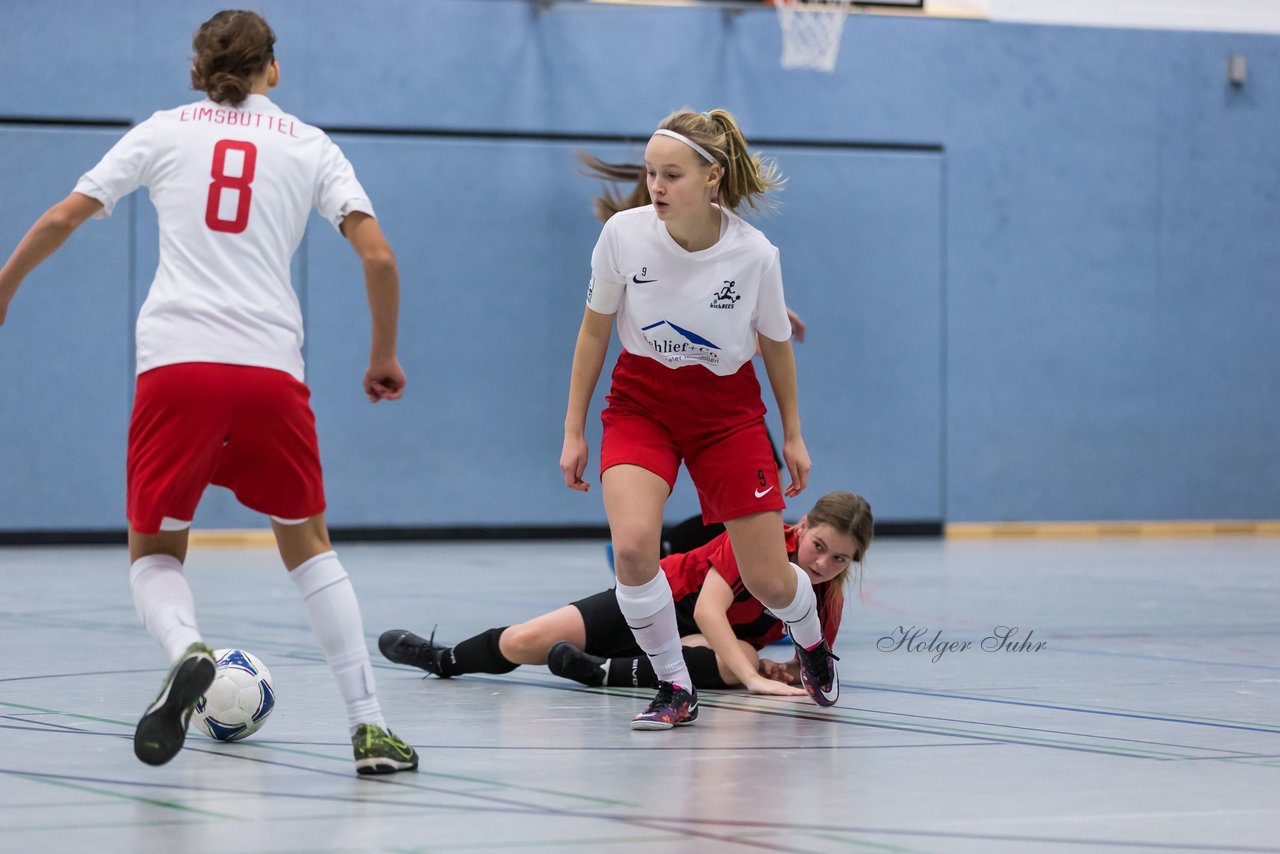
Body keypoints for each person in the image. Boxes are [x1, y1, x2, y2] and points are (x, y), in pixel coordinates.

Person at [0, 10, 417, 775]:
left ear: (198, 69)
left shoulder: (162, 130)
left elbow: (64, 215)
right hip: (270, 373)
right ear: (274, 69)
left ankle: (187, 648)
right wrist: (382, 354)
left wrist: (2, 292)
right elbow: (380, 256)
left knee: (155, 549)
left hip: (177, 367)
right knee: (309, 546)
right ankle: (370, 729)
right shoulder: (310, 144)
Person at [558, 107, 839, 730]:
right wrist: (575, 428)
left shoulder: (755, 254)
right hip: (641, 402)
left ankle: (814, 645)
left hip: (727, 414)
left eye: (672, 175)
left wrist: (792, 433)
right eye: (651, 174)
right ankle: (674, 685)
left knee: (768, 579)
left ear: (712, 177)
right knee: (633, 549)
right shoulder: (623, 237)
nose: (656, 187)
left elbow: (774, 345)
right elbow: (593, 332)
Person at [379, 492, 871, 696]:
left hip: (703, 643)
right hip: (660, 601)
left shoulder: (828, 600)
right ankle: (445, 661)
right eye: (819, 546)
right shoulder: (758, 542)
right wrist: (753, 679)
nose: (821, 565)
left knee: (734, 655)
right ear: (801, 527)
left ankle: (599, 673)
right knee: (526, 640)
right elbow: (708, 609)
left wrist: (782, 672)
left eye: (839, 560)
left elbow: (814, 667)